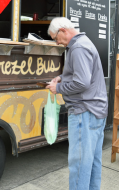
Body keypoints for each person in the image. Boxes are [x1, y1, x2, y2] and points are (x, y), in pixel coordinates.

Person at [47, 17, 107, 190]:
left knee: (79, 164)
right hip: (94, 111)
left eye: (55, 37)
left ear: (63, 30)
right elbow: (81, 75)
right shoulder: (83, 42)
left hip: (84, 112)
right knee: (92, 162)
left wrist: (58, 88)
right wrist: (62, 77)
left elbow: (81, 83)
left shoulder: (78, 48)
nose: (56, 42)